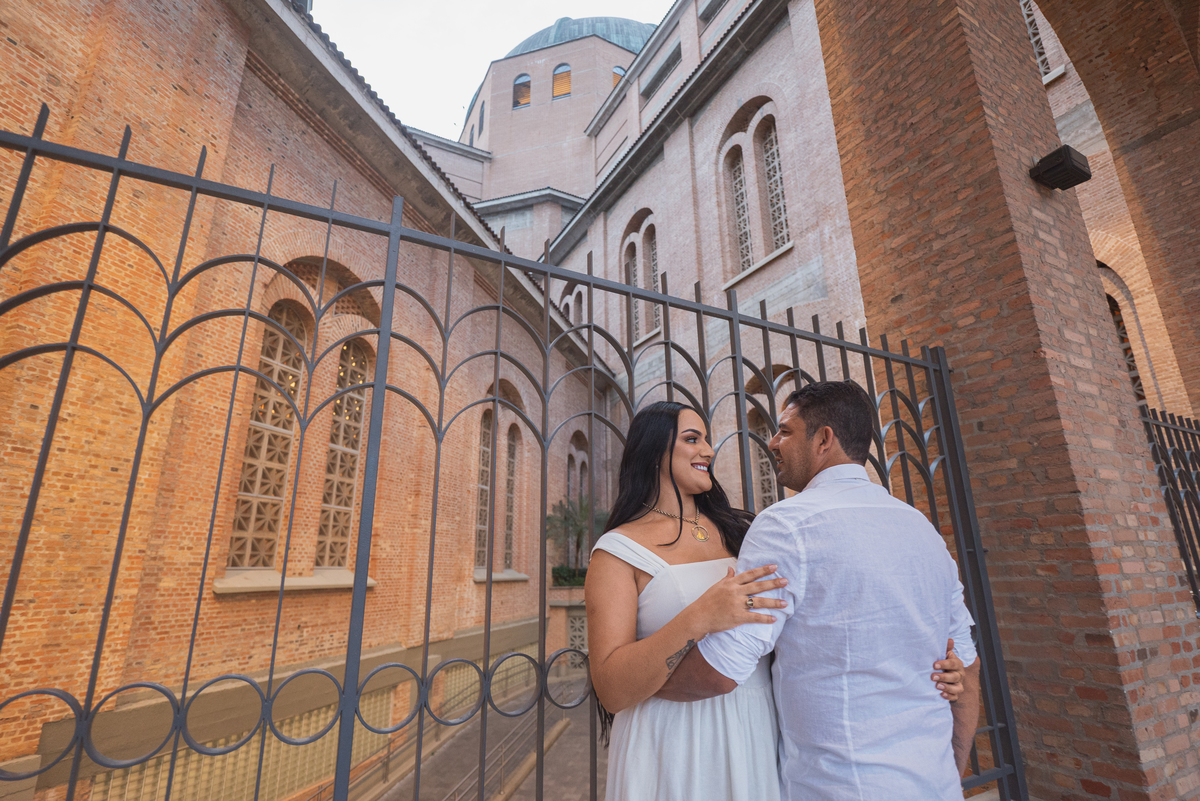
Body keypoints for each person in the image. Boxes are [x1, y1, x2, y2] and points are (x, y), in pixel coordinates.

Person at [585, 400, 966, 801]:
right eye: (692, 439)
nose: (708, 451)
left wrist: (929, 663)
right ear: (652, 450)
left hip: (758, 730)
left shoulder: (743, 532)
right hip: (672, 740)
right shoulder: (618, 551)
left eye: (707, 440)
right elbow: (611, 688)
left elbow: (818, 619)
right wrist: (699, 616)